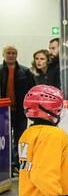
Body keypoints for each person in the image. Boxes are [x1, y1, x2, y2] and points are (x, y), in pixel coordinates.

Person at [2, 45, 36, 175]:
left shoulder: (25, 72)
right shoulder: (0, 71)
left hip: (20, 111)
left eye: (13, 53)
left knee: (20, 138)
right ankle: (7, 165)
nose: (11, 55)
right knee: (4, 138)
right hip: (3, 111)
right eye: (8, 53)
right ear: (3, 55)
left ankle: (17, 164)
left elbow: (31, 90)